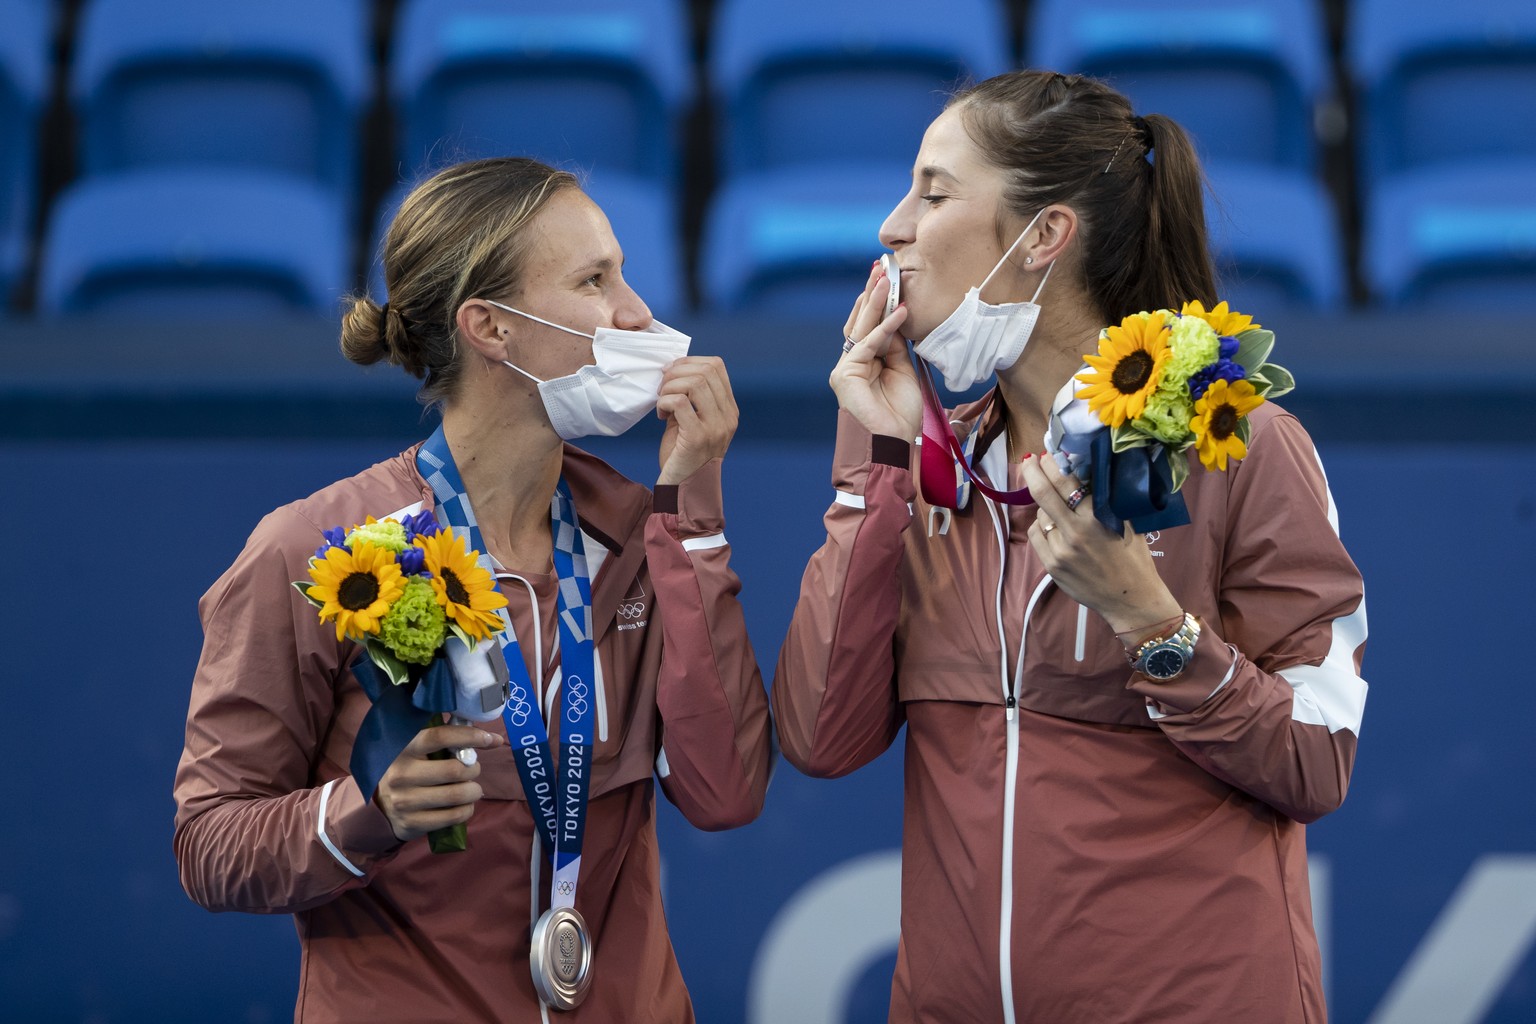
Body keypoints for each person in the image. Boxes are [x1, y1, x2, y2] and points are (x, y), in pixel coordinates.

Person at [773, 71, 1366, 1024]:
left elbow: (1316, 760)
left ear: (1044, 236)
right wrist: (879, 468)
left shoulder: (1239, 444)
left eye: (932, 193)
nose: (892, 227)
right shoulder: (928, 462)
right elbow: (819, 739)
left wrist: (1151, 623)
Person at [174, 157, 773, 1023]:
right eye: (594, 280)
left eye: (622, 273)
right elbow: (208, 843)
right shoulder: (313, 552)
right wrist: (359, 813)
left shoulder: (641, 536)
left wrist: (694, 511)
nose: (637, 312)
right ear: (492, 328)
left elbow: (726, 793)